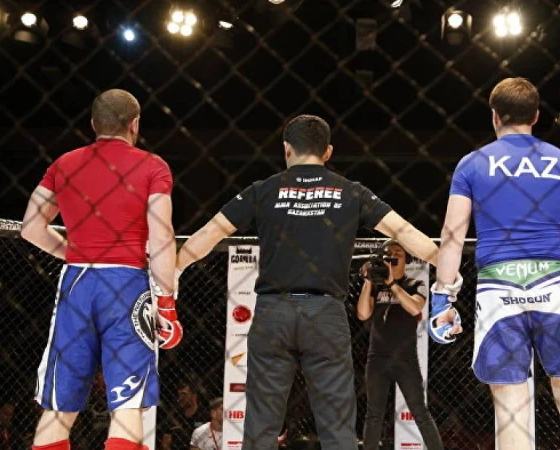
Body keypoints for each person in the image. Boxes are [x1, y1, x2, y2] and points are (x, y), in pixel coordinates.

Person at [174, 115, 440, 450]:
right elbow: (405, 232)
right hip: (324, 313)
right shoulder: (351, 191)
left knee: (261, 425)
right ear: (328, 152)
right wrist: (446, 270)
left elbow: (210, 232)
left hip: (274, 311)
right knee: (337, 425)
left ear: (286, 149)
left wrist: (174, 271)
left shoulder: (264, 189)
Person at [431, 77, 560, 450]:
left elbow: (452, 235)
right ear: (536, 115)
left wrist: (442, 298)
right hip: (554, 287)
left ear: (494, 115)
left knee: (511, 408)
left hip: (498, 291)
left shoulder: (472, 164)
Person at [20, 89, 182, 450]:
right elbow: (161, 236)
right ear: (135, 124)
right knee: (127, 404)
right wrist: (166, 303)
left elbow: (31, 227)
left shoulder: (64, 164)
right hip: (128, 283)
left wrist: (74, 253)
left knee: (59, 407)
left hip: (77, 281)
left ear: (94, 124)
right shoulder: (152, 166)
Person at [356, 239, 444, 450]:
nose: (392, 257)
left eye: (398, 254)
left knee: (420, 411)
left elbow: (415, 308)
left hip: (405, 359)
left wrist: (392, 285)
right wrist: (368, 282)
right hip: (377, 357)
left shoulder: (414, 284)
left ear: (406, 260)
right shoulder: (376, 287)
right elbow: (363, 314)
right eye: (388, 254)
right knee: (373, 414)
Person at [167, 383, 209, 450]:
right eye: (178, 394)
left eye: (184, 394)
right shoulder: (175, 415)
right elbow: (165, 442)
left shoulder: (204, 415)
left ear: (193, 396)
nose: (180, 398)